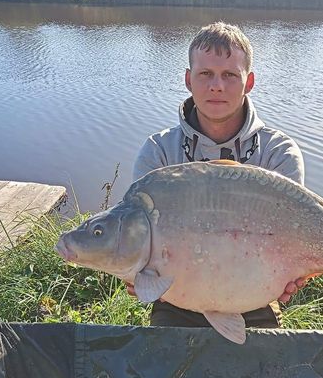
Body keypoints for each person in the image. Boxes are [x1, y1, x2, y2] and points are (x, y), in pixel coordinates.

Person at [129, 21, 307, 328]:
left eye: (229, 75)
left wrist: (296, 271)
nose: (216, 86)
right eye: (205, 74)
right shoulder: (158, 152)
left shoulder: (278, 152)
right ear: (188, 79)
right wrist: (136, 270)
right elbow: (137, 235)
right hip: (176, 297)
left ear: (249, 82)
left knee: (268, 358)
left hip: (253, 294)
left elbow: (293, 235)